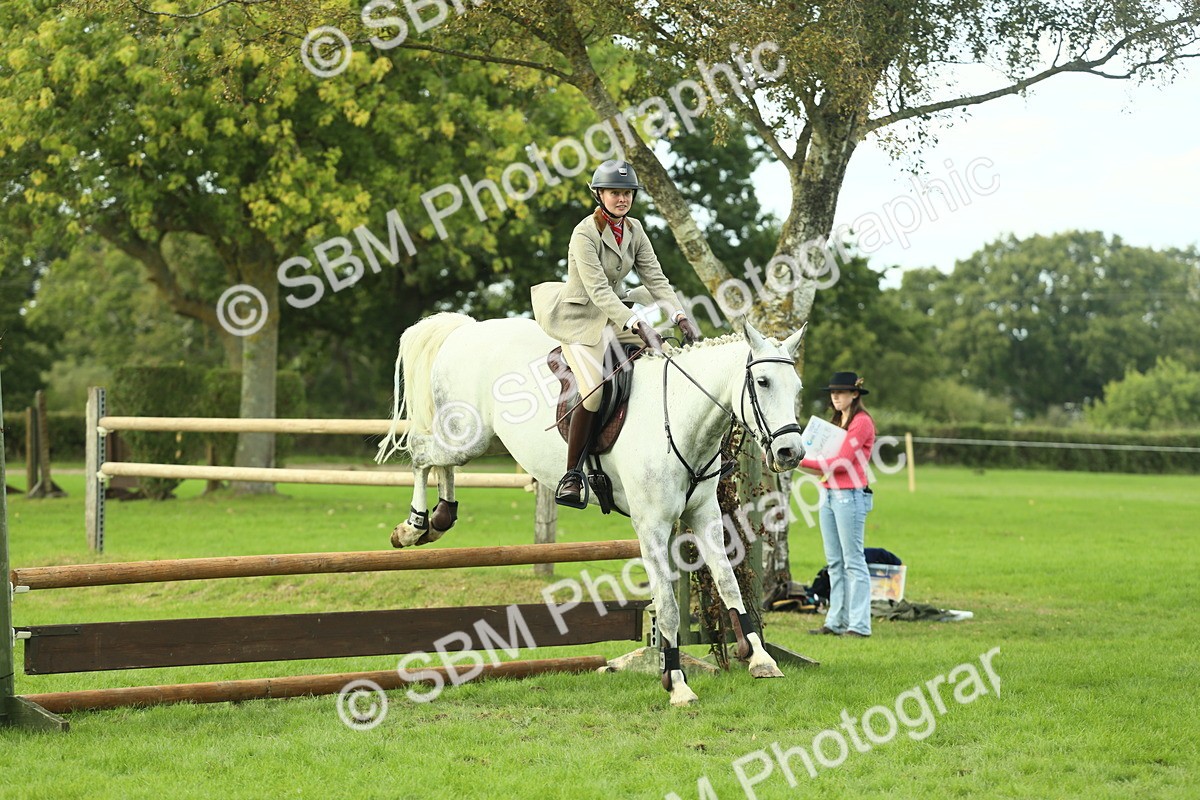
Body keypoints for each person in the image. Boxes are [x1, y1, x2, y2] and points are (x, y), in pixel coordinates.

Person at [531, 159, 701, 509]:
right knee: (593, 390)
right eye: (614, 193)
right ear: (600, 194)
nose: (622, 199)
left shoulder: (635, 230)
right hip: (579, 321)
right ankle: (572, 475)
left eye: (627, 193)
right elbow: (598, 291)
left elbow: (656, 279)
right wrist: (639, 324)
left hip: (614, 317)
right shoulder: (584, 233)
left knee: (666, 355)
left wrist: (680, 316)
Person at [800, 372, 876, 638]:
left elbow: (840, 463)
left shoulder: (861, 422)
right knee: (835, 562)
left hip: (849, 495)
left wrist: (798, 460)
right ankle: (835, 622)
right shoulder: (837, 422)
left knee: (853, 561)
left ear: (855, 394)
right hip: (829, 493)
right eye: (833, 392)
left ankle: (859, 625)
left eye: (841, 392)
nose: (835, 397)